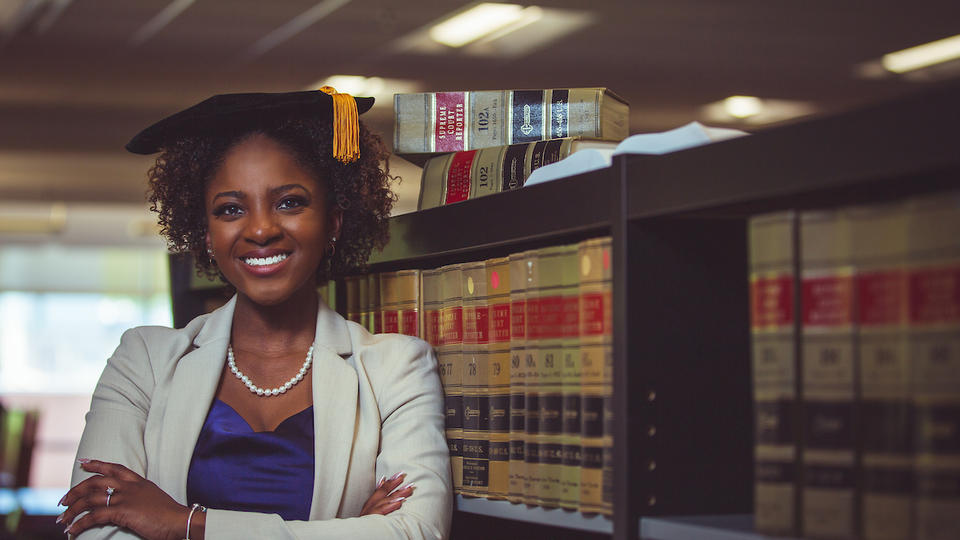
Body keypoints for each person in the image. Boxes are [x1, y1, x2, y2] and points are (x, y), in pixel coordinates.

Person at [56, 88, 452, 539]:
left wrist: (183, 524)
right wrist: (343, 530)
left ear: (334, 223)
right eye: (231, 209)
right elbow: (97, 529)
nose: (261, 228)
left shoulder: (394, 369)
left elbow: (416, 533)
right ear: (206, 234)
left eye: (290, 202)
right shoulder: (143, 361)